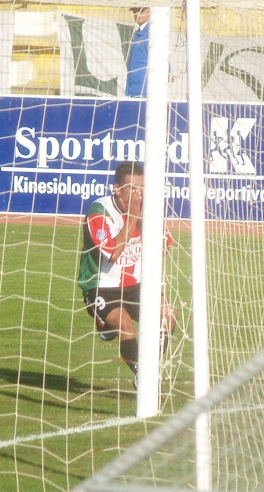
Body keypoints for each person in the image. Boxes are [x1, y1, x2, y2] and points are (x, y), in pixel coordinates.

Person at [77, 161, 177, 389]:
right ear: (116, 188)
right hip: (101, 286)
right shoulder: (99, 211)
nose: (138, 194)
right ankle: (141, 370)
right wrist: (132, 218)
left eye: (141, 188)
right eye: (132, 188)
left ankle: (148, 369)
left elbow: (165, 246)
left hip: (136, 284)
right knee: (125, 325)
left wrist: (147, 222)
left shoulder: (146, 210)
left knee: (169, 313)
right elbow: (112, 254)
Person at [125, 7, 150, 98]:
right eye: (134, 12)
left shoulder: (152, 32)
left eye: (141, 11)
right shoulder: (138, 33)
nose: (137, 14)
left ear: (150, 10)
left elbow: (162, 57)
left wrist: (168, 72)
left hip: (145, 89)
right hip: (135, 87)